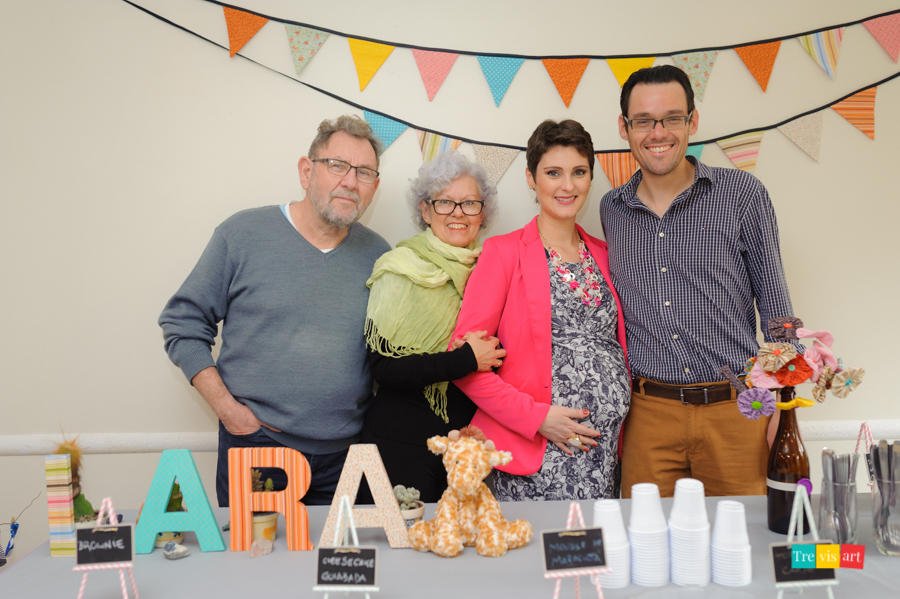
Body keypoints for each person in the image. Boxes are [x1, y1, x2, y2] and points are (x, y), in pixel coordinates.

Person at [159, 115, 391, 506]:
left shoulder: (381, 256)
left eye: (364, 172)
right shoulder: (242, 235)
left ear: (374, 187)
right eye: (337, 165)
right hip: (258, 447)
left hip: (347, 461)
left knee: (337, 566)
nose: (350, 181)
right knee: (254, 566)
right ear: (306, 171)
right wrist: (228, 411)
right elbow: (182, 322)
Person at [600, 65, 797, 498]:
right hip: (647, 415)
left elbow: (779, 314)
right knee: (644, 554)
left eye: (672, 118)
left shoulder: (743, 195)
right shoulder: (611, 208)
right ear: (624, 128)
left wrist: (786, 408)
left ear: (692, 122)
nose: (658, 132)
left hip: (737, 412)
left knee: (746, 548)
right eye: (644, 121)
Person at [451, 120, 630, 501]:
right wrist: (537, 419)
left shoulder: (606, 253)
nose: (568, 186)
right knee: (532, 558)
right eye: (553, 173)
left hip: (605, 455)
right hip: (537, 457)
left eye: (579, 172)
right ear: (531, 178)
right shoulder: (503, 253)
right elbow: (462, 363)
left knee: (594, 558)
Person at [358, 151, 505, 503]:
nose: (457, 213)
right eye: (444, 202)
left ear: (482, 213)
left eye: (469, 203)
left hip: (466, 451)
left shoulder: (493, 270)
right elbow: (383, 367)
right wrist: (465, 359)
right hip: (399, 445)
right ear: (425, 210)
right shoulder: (399, 267)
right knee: (400, 556)